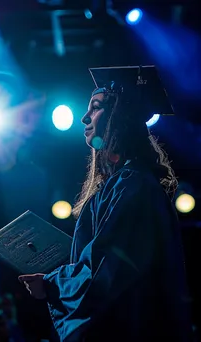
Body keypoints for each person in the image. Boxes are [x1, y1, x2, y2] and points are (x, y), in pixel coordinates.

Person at [19, 66, 193, 341]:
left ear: (119, 116)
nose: (84, 117)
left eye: (96, 107)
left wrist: (51, 284)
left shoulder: (133, 185)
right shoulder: (116, 186)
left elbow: (108, 269)